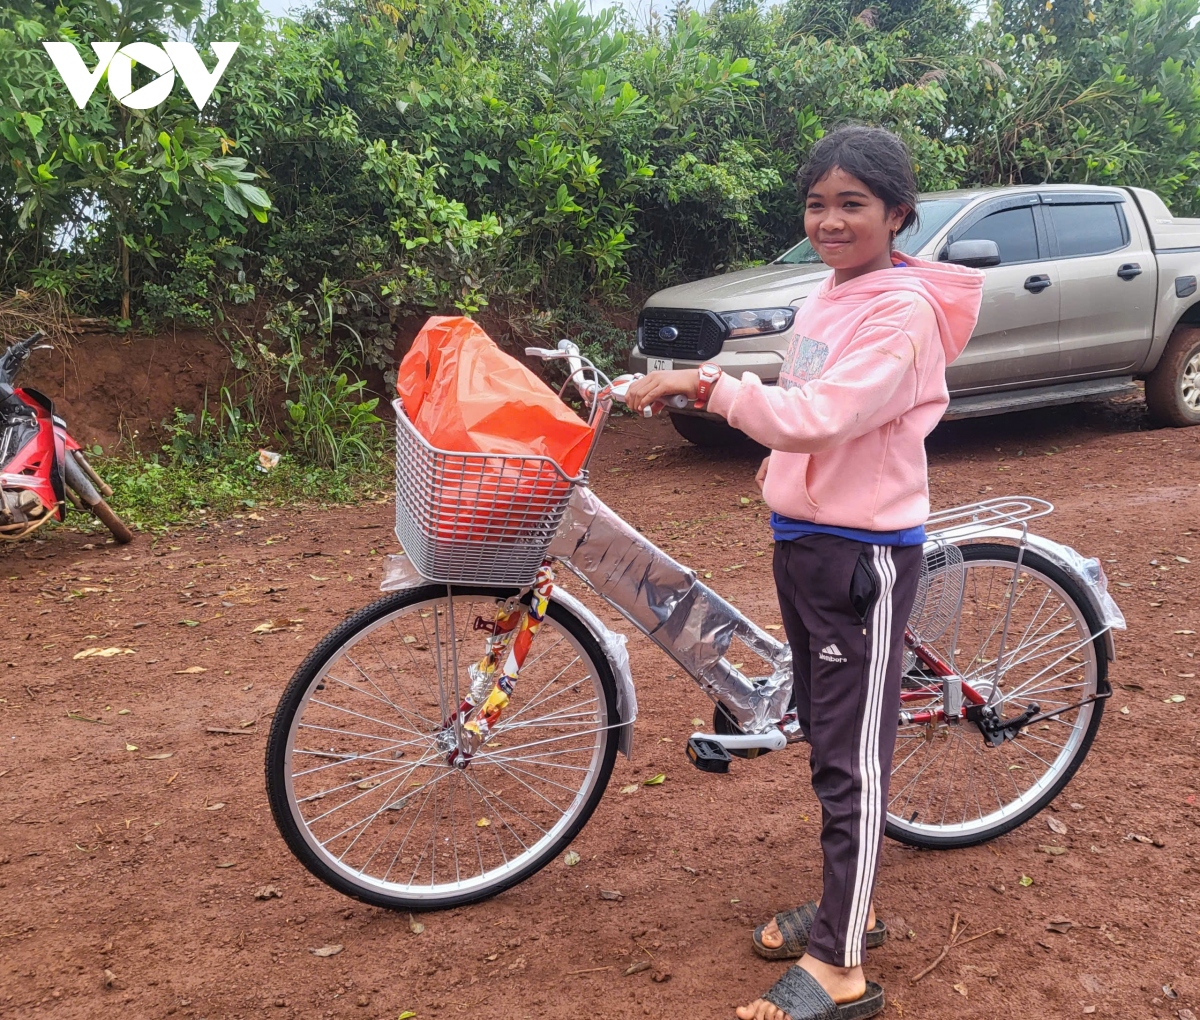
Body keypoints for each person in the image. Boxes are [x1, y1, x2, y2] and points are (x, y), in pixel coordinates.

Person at [626, 125, 985, 1020]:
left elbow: (824, 411)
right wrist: (782, 471)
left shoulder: (899, 313)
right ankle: (846, 908)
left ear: (898, 214)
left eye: (852, 205)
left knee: (848, 759)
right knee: (828, 734)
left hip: (858, 554)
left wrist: (703, 385)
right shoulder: (836, 290)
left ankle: (841, 964)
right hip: (810, 535)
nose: (830, 221)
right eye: (817, 203)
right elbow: (807, 412)